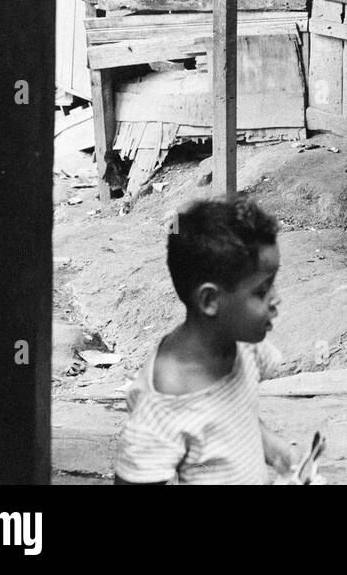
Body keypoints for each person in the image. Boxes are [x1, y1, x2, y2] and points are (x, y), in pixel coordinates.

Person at [114, 196, 294, 485]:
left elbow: (234, 411)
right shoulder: (164, 405)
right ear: (210, 300)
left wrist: (267, 444)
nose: (276, 299)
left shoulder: (244, 346)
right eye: (262, 291)